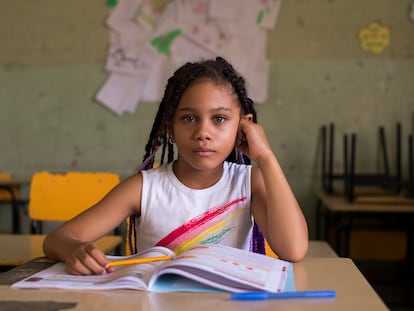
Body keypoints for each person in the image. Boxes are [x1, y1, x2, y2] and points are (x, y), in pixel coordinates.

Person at [43, 57, 308, 275]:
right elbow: (58, 239)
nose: (203, 132)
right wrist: (75, 251)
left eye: (219, 118)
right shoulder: (143, 188)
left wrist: (267, 158)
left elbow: (293, 249)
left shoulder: (249, 183)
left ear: (243, 126)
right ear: (170, 126)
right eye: (189, 118)